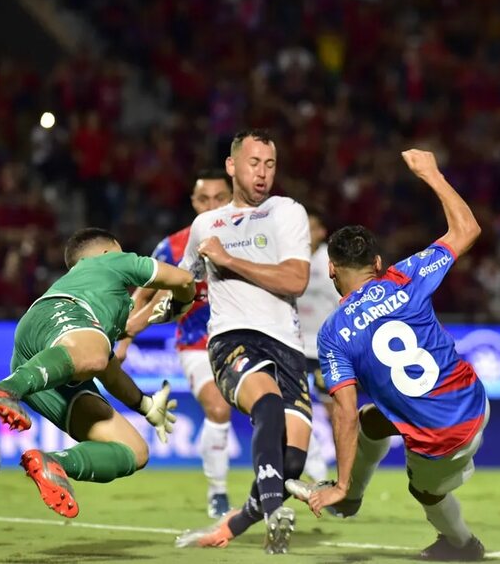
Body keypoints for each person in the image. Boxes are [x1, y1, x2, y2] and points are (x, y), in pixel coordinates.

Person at [287, 150, 488, 561]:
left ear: (331, 270)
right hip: (476, 403)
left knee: (423, 490)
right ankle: (352, 497)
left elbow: (341, 410)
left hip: (443, 441)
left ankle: (463, 545)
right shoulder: (405, 275)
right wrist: (430, 173)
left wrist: (339, 482)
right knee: (372, 422)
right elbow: (467, 229)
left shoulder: (333, 333)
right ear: (377, 263)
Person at [0, 228, 195, 518]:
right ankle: (5, 389)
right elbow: (183, 279)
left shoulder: (105, 312)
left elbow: (107, 368)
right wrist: (183, 301)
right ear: (109, 251)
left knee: (133, 450)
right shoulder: (108, 262)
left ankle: (54, 464)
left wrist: (145, 405)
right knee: (93, 355)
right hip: (56, 317)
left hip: (45, 365)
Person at [173, 129, 312, 554]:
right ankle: (275, 515)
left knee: (291, 464)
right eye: (254, 163)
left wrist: (229, 260)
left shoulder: (286, 212)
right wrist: (141, 316)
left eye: (270, 165)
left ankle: (233, 524)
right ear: (232, 166)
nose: (262, 174)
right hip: (232, 339)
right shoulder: (205, 225)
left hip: (287, 346)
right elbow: (184, 285)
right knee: (266, 405)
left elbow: (296, 279)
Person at [115, 170, 234, 519]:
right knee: (218, 409)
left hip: (245, 338)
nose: (211, 205)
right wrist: (124, 340)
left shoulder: (247, 237)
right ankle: (218, 492)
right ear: (194, 203)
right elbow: (144, 293)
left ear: (229, 198)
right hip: (197, 343)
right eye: (204, 199)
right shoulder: (173, 246)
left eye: (219, 198)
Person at [297, 207, 340, 482]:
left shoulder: (330, 261)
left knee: (336, 411)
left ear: (322, 232)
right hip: (295, 345)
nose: (306, 233)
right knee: (295, 406)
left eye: (311, 227)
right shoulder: (290, 259)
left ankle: (347, 473)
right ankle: (314, 465)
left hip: (326, 348)